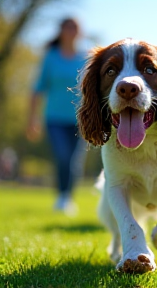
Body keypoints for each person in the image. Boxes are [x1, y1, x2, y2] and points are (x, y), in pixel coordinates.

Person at [27, 18, 87, 214]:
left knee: (74, 161)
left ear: (79, 32)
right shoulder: (51, 57)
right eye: (67, 28)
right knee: (62, 156)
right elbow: (38, 89)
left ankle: (67, 198)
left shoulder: (84, 58)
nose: (71, 31)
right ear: (60, 31)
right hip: (54, 118)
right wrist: (32, 119)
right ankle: (62, 196)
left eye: (75, 28)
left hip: (80, 119)